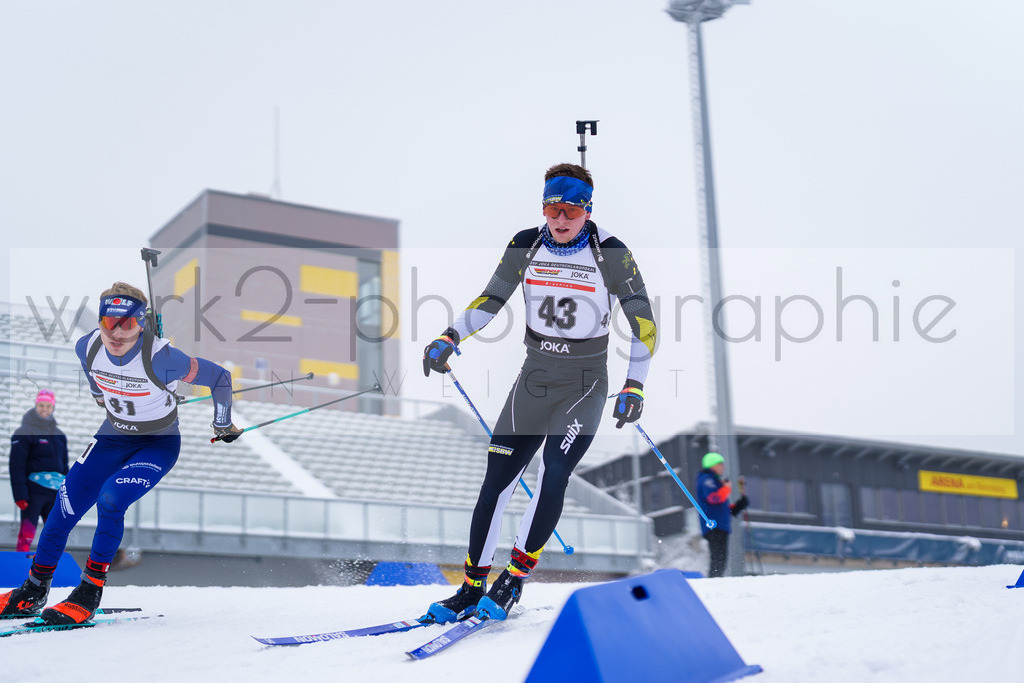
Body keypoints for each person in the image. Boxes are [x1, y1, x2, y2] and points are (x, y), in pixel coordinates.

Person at [420, 163, 656, 622]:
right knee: (496, 482)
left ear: (587, 210)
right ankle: (471, 587)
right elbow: (492, 297)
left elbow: (643, 321)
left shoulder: (611, 252)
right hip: (535, 377)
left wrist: (635, 383)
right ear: (543, 207)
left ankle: (513, 580)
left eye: (571, 210)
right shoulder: (525, 243)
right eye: (553, 208)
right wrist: (450, 335)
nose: (561, 219)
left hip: (584, 382)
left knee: (554, 473)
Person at [0, 282, 243, 625]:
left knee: (111, 499)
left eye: (126, 324)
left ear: (142, 323)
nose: (115, 333)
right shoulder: (86, 347)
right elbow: (100, 389)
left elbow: (220, 378)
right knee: (64, 505)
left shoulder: (163, 357)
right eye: (107, 323)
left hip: (155, 445)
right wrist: (137, 397)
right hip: (111, 439)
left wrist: (223, 424)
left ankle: (89, 590)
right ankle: (33, 589)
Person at [9, 389, 69, 552]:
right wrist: (20, 495)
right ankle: (20, 565)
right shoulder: (24, 432)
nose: (44, 409)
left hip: (54, 493)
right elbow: (16, 465)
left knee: (55, 533)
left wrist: (66, 492)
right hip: (33, 493)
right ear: (36, 405)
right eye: (41, 405)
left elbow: (64, 466)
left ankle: (49, 567)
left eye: (48, 406)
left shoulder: (59, 435)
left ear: (53, 408)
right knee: (27, 534)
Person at [695, 452, 749, 578]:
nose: (723, 467)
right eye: (720, 464)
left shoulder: (713, 480)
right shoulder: (707, 479)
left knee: (721, 558)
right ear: (712, 465)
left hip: (720, 524)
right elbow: (714, 498)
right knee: (718, 558)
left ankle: (715, 579)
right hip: (714, 525)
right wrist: (726, 488)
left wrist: (738, 506)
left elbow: (722, 509)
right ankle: (713, 581)